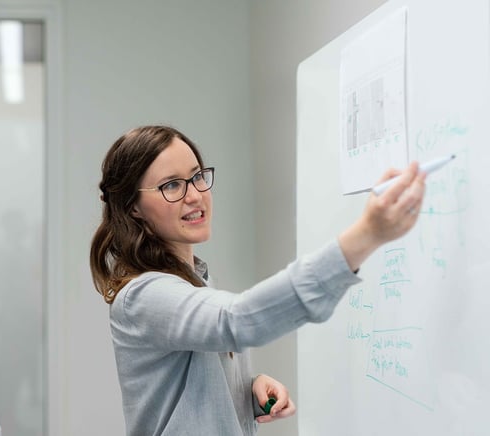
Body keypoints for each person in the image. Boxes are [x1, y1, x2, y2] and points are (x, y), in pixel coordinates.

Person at [89, 125, 426, 435]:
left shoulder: (196, 282)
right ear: (133, 207)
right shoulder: (143, 296)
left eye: (197, 177)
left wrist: (244, 389)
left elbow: (185, 398)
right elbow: (235, 320)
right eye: (172, 185)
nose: (195, 195)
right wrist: (365, 236)